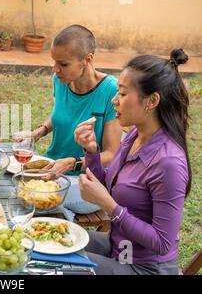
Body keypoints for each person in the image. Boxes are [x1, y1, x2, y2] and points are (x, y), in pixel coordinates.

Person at [75, 49, 191, 275]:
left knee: (61, 265)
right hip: (120, 247)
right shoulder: (133, 137)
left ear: (152, 101)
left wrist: (110, 206)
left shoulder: (169, 162)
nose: (114, 100)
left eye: (123, 93)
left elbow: (162, 242)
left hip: (144, 267)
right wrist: (91, 152)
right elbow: (110, 186)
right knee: (58, 240)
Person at [15, 25, 122, 218]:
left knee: (32, 198)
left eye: (63, 64)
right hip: (52, 168)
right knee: (14, 184)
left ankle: (62, 218)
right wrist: (38, 132)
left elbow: (112, 154)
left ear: (87, 60)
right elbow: (61, 114)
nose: (56, 69)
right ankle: (59, 215)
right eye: (54, 62)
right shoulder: (61, 80)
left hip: (87, 181)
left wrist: (73, 163)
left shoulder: (110, 90)